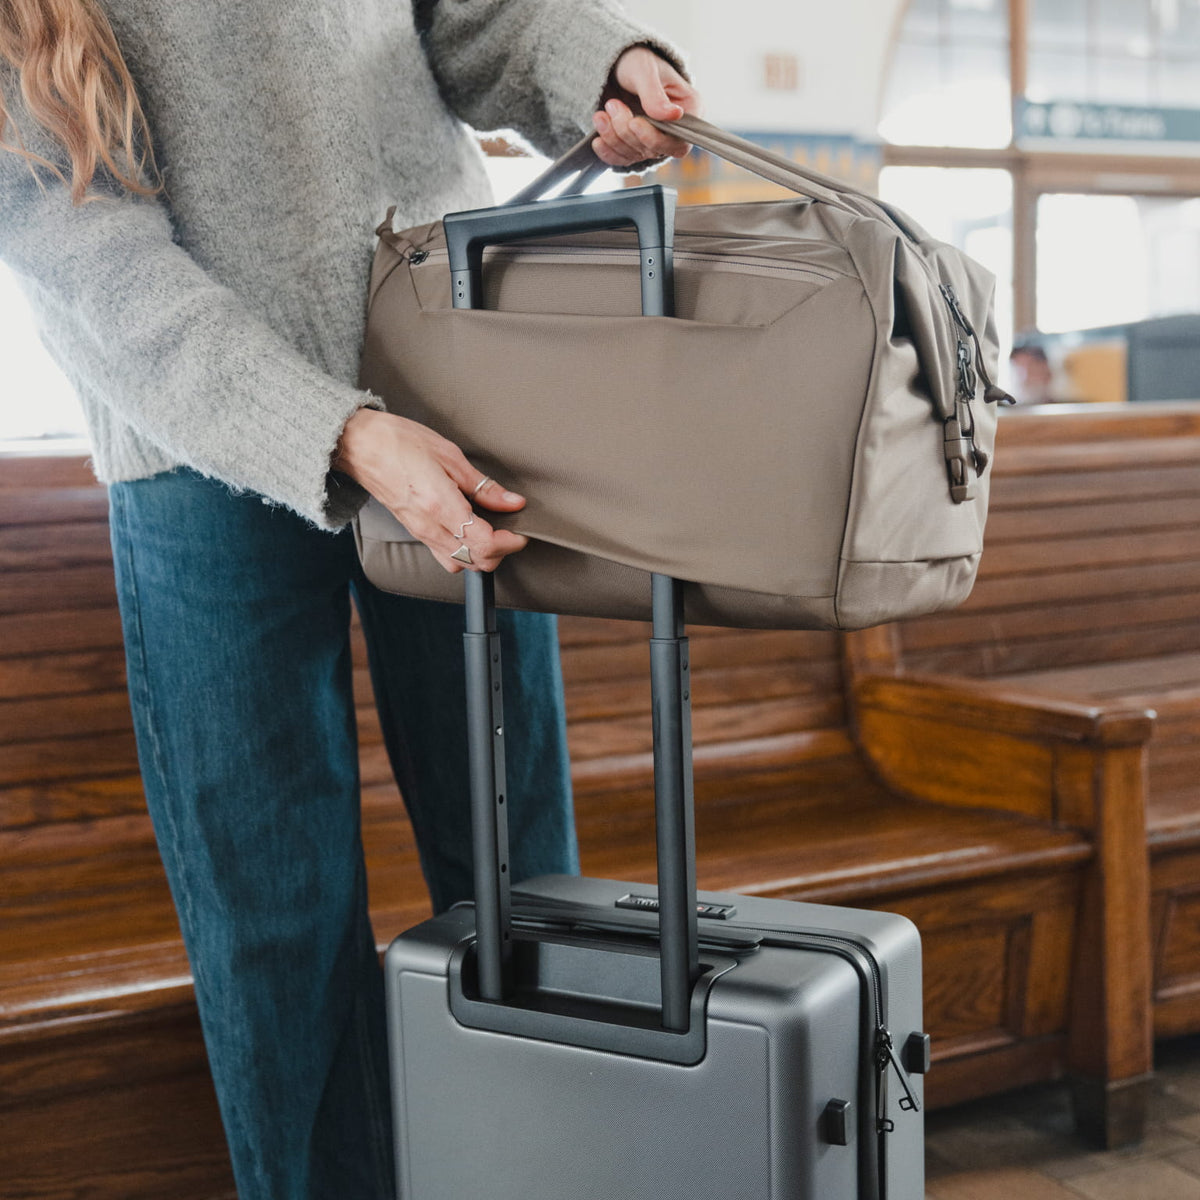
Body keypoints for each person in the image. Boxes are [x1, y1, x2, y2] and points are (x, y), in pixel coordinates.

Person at [0, 2, 700, 1197]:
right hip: (200, 453)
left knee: (519, 881)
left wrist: (604, 66)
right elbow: (80, 249)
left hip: (447, 370)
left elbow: (477, 15)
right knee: (274, 920)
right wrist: (338, 433)